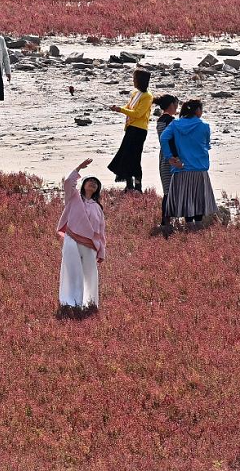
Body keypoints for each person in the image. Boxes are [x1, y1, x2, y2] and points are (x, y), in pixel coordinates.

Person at [57, 158, 106, 311]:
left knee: (90, 274)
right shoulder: (74, 198)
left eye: (95, 183)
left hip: (90, 244)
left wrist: (101, 250)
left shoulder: (98, 207)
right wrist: (78, 168)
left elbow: (100, 230)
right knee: (72, 271)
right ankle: (70, 302)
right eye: (89, 181)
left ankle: (89, 303)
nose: (92, 183)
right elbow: (67, 183)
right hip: (72, 239)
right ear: (83, 185)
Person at [159, 98, 218, 227]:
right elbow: (207, 144)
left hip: (181, 169)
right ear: (197, 111)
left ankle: (189, 227)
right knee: (198, 202)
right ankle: (197, 229)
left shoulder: (175, 124)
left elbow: (163, 138)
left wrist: (170, 157)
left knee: (187, 201)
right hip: (199, 169)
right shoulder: (204, 126)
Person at [108, 69, 153, 192]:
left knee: (135, 157)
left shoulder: (147, 96)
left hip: (139, 130)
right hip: (130, 128)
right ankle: (129, 185)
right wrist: (118, 108)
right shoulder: (135, 94)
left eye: (135, 79)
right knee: (126, 156)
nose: (133, 81)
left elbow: (138, 114)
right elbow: (128, 108)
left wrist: (120, 110)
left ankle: (138, 187)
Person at [154, 94, 179, 225]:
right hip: (171, 158)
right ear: (171, 105)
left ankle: (166, 220)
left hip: (163, 157)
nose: (177, 107)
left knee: (167, 190)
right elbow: (172, 141)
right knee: (171, 191)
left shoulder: (160, 120)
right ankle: (166, 221)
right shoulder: (171, 121)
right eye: (176, 104)